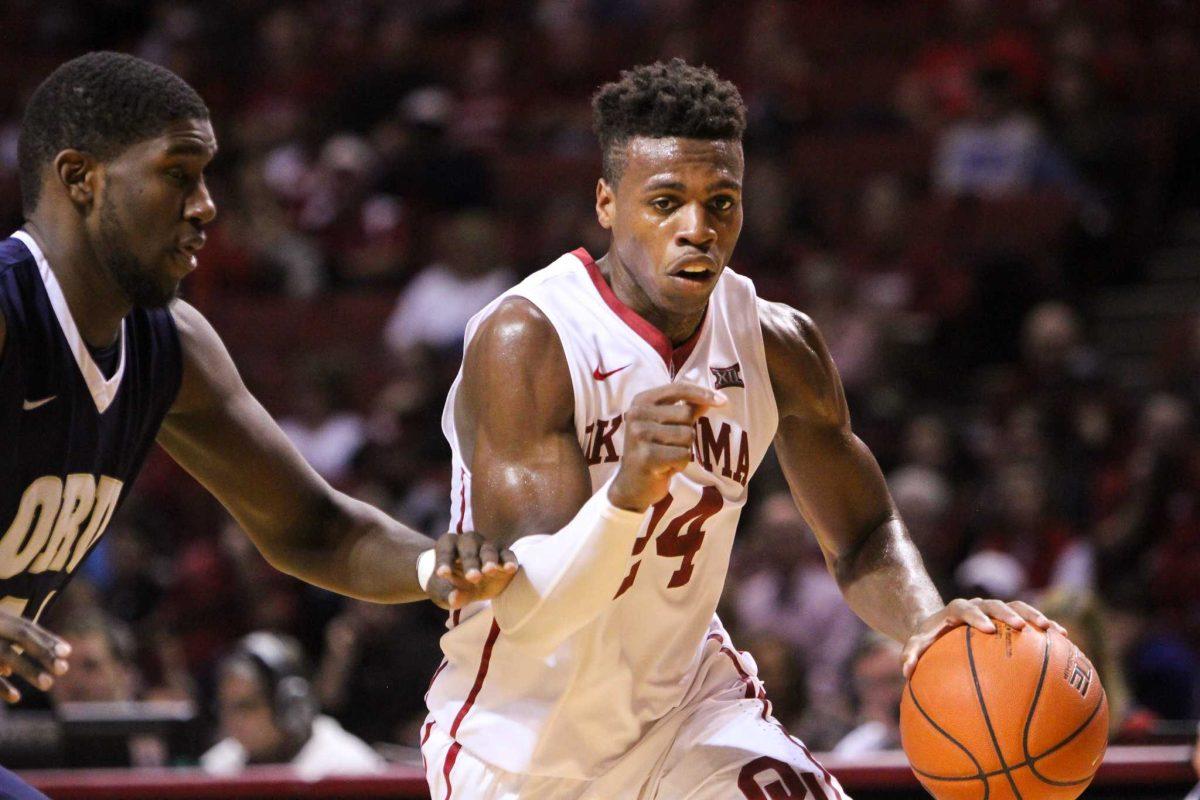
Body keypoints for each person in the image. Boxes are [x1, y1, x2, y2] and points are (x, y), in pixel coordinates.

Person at [422, 59, 1065, 798]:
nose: (697, 229)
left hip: (689, 714)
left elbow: (862, 536)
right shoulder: (527, 338)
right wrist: (627, 493)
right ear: (607, 202)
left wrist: (925, 622)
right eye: (665, 202)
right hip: (520, 745)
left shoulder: (777, 345)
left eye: (721, 203)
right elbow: (536, 611)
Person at [0, 52, 514, 798]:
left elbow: (317, 530)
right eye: (178, 173)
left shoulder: (171, 346)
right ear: (82, 179)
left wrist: (443, 571)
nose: (207, 205)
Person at [202, 632, 383, 778]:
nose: (231, 721)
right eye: (225, 708)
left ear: (290, 705)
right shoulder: (218, 768)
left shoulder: (350, 770)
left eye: (246, 706)